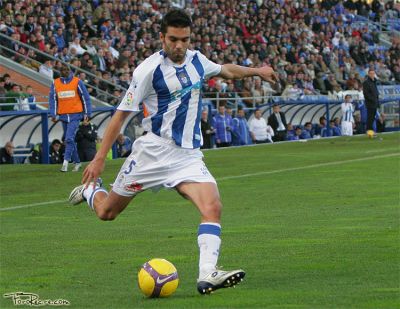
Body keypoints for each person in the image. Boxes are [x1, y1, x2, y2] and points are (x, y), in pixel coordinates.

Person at [68, 9, 277, 295]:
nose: (179, 46)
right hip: (151, 153)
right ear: (162, 37)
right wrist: (100, 158)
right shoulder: (147, 71)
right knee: (107, 213)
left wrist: (257, 72)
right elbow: (120, 116)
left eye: (185, 40)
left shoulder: (197, 60)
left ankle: (207, 274)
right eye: (173, 39)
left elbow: (226, 70)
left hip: (186, 156)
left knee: (212, 206)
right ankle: (92, 192)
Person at [49, 64, 92, 172]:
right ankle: (77, 162)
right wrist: (53, 114)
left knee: (68, 138)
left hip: (75, 115)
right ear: (60, 71)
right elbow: (53, 99)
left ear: (70, 71)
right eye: (63, 69)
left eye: (67, 69)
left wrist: (87, 114)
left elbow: (86, 98)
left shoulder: (77, 82)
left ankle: (65, 163)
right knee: (70, 139)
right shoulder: (55, 83)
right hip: (63, 115)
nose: (65, 71)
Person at [362, 68, 380, 138]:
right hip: (370, 103)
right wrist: (373, 99)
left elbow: (375, 92)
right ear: (368, 74)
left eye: (373, 73)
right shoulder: (366, 83)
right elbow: (366, 94)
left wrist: (376, 100)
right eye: (371, 73)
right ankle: (369, 132)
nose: (372, 75)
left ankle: (370, 132)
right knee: (370, 118)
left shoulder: (374, 82)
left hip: (375, 103)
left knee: (372, 118)